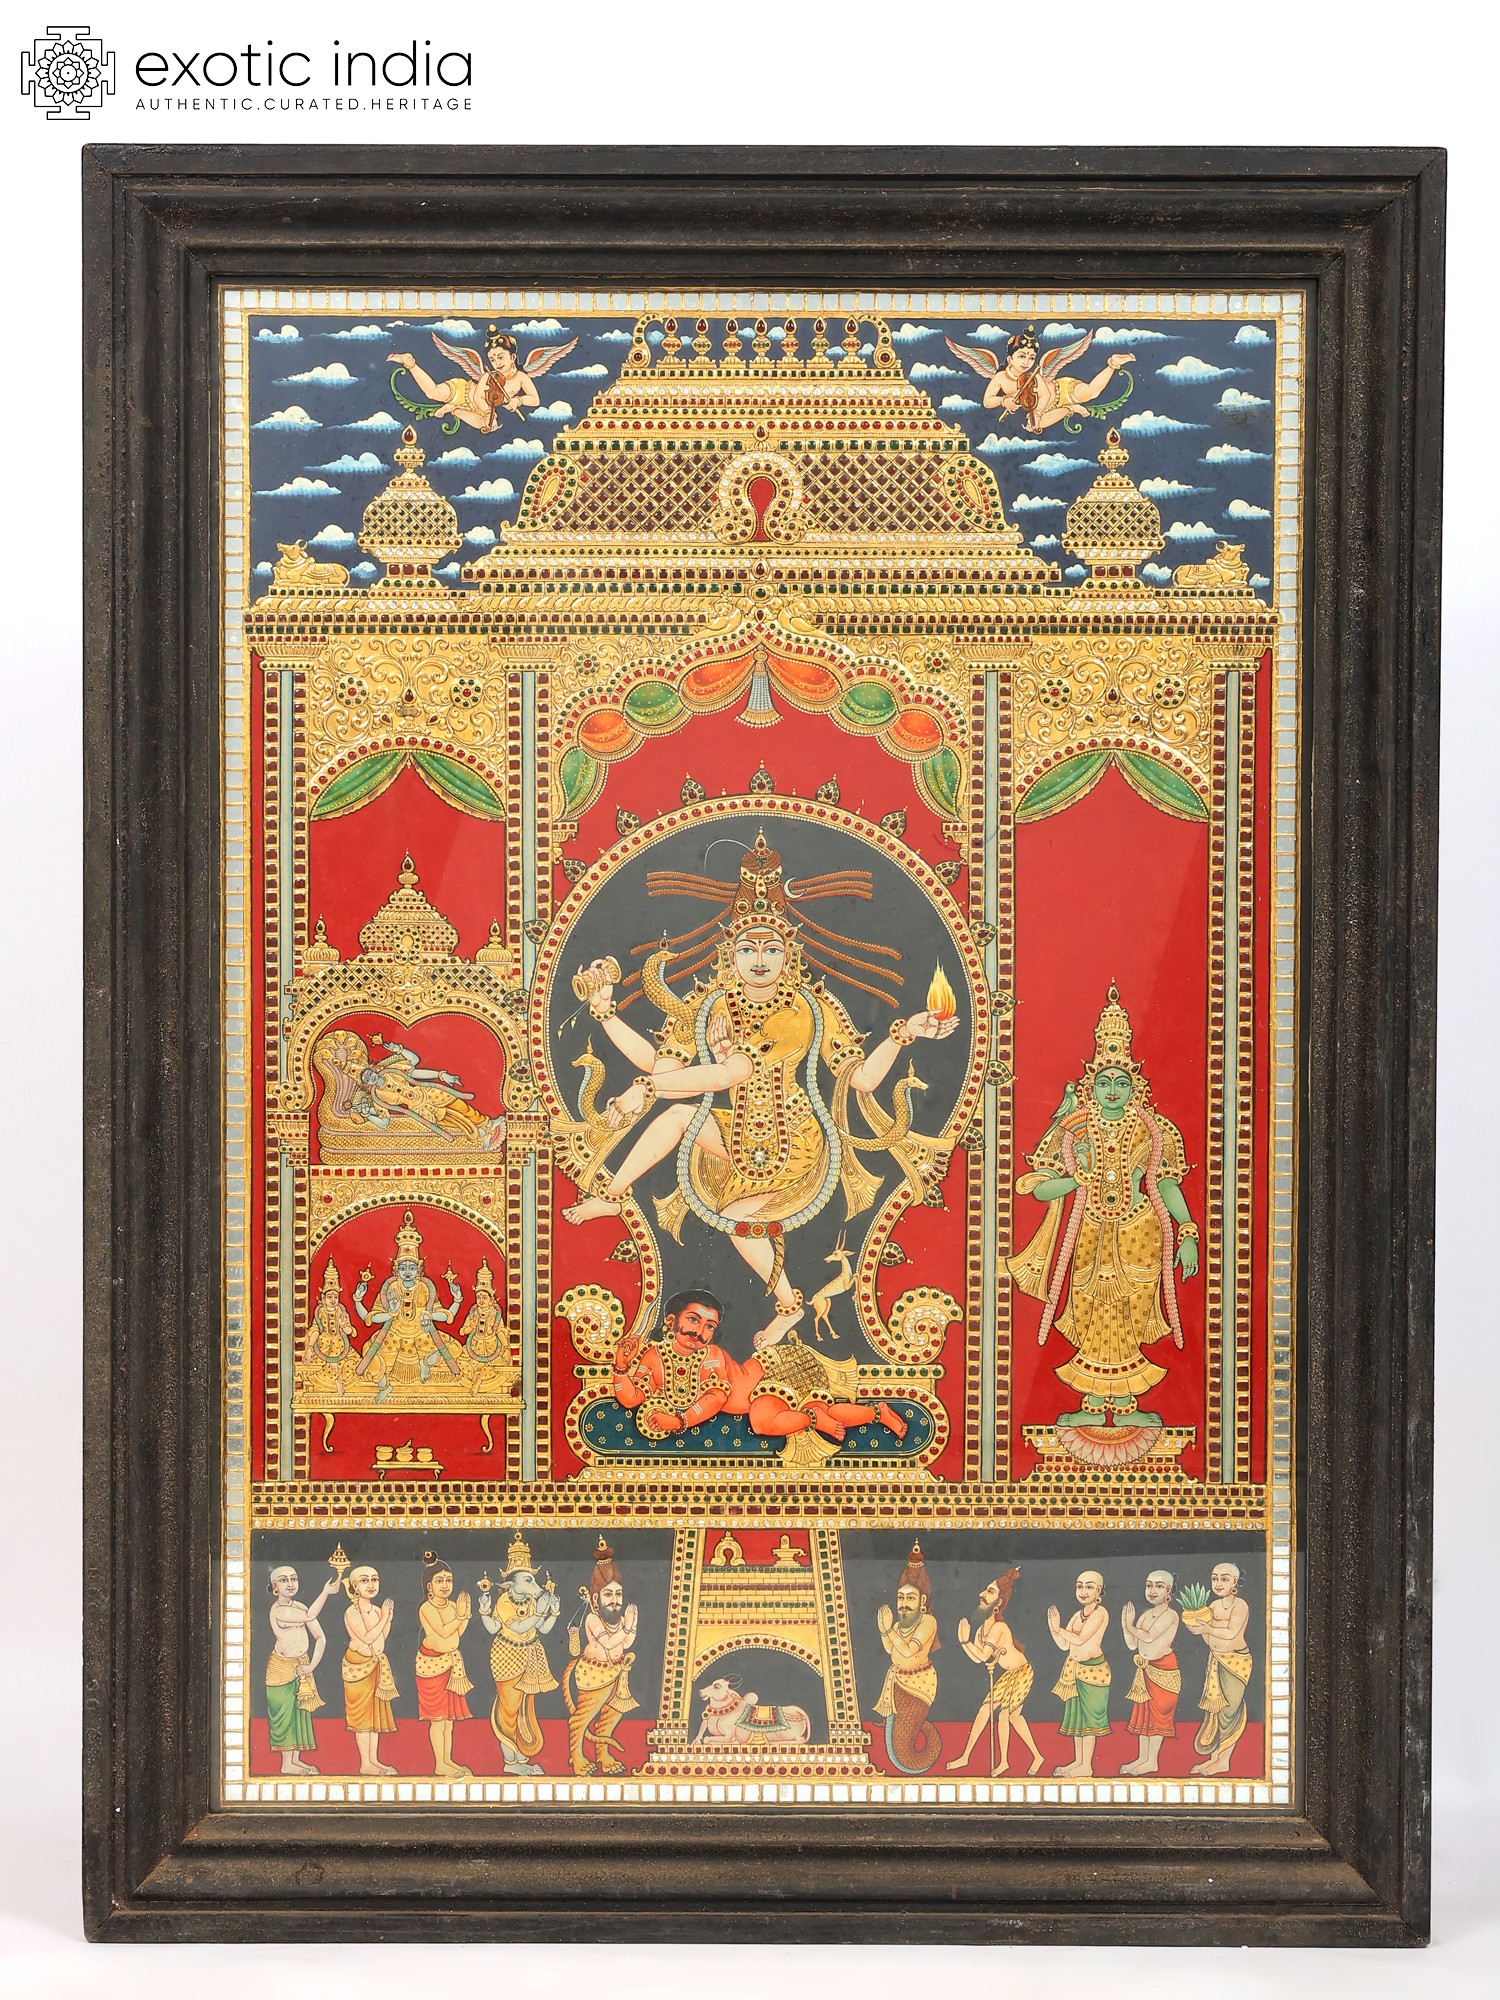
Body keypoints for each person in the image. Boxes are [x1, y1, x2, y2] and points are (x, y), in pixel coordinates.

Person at [564, 832, 956, 1347]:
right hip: (737, 1133)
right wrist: (606, 1013)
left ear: (788, 956)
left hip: (792, 1143)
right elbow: (662, 1065)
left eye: (771, 949)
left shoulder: (804, 1009)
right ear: (731, 955)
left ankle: (789, 1306)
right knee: (677, 1116)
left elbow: (850, 1078)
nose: (760, 959)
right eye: (748, 949)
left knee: (735, 1217)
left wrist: (903, 1034)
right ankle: (613, 1197)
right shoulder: (713, 1003)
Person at [1008, 985, 1198, 1448]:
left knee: (1133, 1310)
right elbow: (1040, 1188)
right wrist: (1078, 1176)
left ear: (1135, 1086)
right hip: (1090, 1231)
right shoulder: (1072, 1129)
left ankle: (1128, 1405)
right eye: (1104, 1083)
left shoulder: (1155, 1130)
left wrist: (1188, 1231)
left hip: (1140, 1232)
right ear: (1090, 1087)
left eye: (1121, 1083)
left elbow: (1166, 1183)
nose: (1113, 1092)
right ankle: (1093, 1402)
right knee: (1091, 1309)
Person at [612, 1289, 906, 1450]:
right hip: (773, 1385)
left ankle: (814, 1418)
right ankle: (878, 1412)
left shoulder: (710, 1355)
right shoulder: (653, 1357)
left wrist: (679, 1421)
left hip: (777, 1369)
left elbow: (716, 1398)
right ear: (671, 1321)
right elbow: (631, 1398)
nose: (699, 1332)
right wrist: (621, 1367)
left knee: (763, 1421)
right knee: (822, 1409)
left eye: (709, 1326)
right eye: (693, 1320)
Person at [352, 1211, 464, 1399]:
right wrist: (361, 1302)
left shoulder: (425, 1288)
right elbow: (370, 1318)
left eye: (412, 1268)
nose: (407, 1272)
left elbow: (444, 1316)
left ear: (419, 1269)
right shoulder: (390, 1288)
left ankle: (426, 1363)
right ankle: (384, 1386)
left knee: (455, 1350)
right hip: (393, 1336)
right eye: (403, 1268)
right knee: (368, 1356)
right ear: (396, 1268)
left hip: (422, 1335)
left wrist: (455, 1302)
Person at [945, 326, 1135, 435]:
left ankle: (1113, 364)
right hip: (1048, 409)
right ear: (1010, 359)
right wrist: (1004, 401)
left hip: (1060, 391)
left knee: (1092, 392)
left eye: (1031, 358)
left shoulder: (1034, 375)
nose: (1026, 362)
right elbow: (987, 401)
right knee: (1037, 425)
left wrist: (1036, 411)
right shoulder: (1001, 377)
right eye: (1021, 357)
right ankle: (1072, 409)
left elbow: (1044, 395)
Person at [387, 326, 576, 434]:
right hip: (464, 392)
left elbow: (535, 399)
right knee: (432, 393)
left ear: (512, 357)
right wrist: (487, 412)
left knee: (485, 427)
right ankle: (410, 363)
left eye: (500, 357)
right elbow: (478, 395)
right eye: (492, 359)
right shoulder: (489, 375)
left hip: (476, 410)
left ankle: (452, 409)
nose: (496, 363)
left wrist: (518, 400)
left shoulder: (521, 377)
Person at [947, 1567, 1044, 1776]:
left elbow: (983, 1656)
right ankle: (966, 1756)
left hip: (1022, 1672)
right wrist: (964, 1642)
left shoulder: (999, 1628)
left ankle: (1005, 1762)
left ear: (998, 1602)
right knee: (989, 1711)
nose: (982, 1594)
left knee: (1005, 1714)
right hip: (1009, 1675)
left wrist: (964, 1641)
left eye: (990, 1592)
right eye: (985, 1590)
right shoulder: (982, 1630)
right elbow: (977, 1658)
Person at [480, 1530, 562, 1776]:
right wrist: (540, 1611)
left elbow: (543, 1629)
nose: (534, 1586)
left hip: (529, 1656)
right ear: (510, 1584)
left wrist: (553, 1613)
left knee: (524, 1707)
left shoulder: (530, 1600)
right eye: (527, 1581)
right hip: (507, 1656)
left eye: (532, 1581)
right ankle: (510, 1761)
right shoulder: (504, 1601)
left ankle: (518, 1753)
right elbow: (517, 1627)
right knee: (509, 1709)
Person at [563, 1537, 638, 1776]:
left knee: (611, 1715)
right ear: (596, 1599)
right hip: (594, 1672)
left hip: (617, 1671)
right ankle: (576, 1756)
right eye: (609, 1594)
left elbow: (626, 1643)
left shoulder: (620, 1618)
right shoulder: (593, 1619)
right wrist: (628, 1627)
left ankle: (603, 1755)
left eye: (619, 1594)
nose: (615, 1601)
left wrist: (632, 1625)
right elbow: (608, 1643)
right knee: (583, 1717)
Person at [875, 1541, 942, 1774]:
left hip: (916, 1685)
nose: (903, 1604)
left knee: (903, 1749)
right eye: (900, 1598)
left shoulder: (928, 1622)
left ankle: (917, 1733)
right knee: (896, 1737)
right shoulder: (898, 1625)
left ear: (922, 1601)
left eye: (910, 1598)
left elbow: (908, 1650)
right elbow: (890, 1650)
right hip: (898, 1680)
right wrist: (884, 1630)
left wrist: (889, 1630)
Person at [264, 1563, 337, 1775]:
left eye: (293, 1578)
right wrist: (325, 1592)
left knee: (299, 1716)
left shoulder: (301, 1606)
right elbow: (308, 1616)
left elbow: (320, 1637)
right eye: (284, 1580)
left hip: (301, 1667)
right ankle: (286, 1764)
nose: (290, 1583)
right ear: (275, 1587)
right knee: (285, 1716)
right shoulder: (278, 1610)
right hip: (280, 1670)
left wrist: (312, 1665)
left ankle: (295, 1761)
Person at [415, 1551, 474, 1779]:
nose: (445, 1585)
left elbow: (457, 1634)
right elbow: (442, 1631)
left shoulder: (452, 1606)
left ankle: (447, 1760)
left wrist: (465, 1616)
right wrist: (460, 1617)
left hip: (450, 1664)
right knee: (438, 1720)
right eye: (439, 1581)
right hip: (432, 1667)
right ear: (429, 1586)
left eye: (449, 1580)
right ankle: (439, 1764)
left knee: (449, 1721)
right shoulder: (426, 1608)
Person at [1189, 1563, 1253, 1775]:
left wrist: (1207, 1628)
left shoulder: (1240, 1605)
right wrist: (1200, 1631)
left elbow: (1231, 1632)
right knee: (1215, 1710)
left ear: (1234, 1581)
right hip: (1216, 1659)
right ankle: (1214, 1759)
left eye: (1224, 1579)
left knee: (1229, 1712)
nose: (1218, 1583)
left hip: (1236, 1663)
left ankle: (1224, 1761)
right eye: (1215, 1578)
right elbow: (1210, 1639)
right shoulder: (1214, 1606)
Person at [1047, 1571, 1112, 1776]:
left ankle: (1087, 1766)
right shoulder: (1077, 1615)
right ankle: (1078, 1762)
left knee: (1089, 1721)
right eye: (1079, 1586)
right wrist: (1053, 1629)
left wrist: (1059, 1628)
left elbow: (1081, 1639)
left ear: (1098, 1590)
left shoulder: (1100, 1613)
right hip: (1075, 1671)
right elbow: (1064, 1644)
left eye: (1089, 1587)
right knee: (1077, 1720)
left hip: (1094, 1673)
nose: (1083, 1591)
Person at [1120, 1570, 1181, 1775]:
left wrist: (1129, 1625)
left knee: (1158, 1715)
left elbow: (1148, 1637)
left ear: (1168, 1591)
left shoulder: (1171, 1615)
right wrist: (1125, 1626)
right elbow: (1132, 1644)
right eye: (1149, 1585)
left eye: (1159, 1586)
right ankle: (1142, 1758)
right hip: (1145, 1669)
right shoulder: (1146, 1615)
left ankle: (1152, 1761)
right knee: (1144, 1715)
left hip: (1164, 1669)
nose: (1152, 1590)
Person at [341, 1563, 398, 1777]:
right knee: (363, 1718)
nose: (371, 1584)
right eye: (365, 1580)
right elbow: (366, 1638)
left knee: (374, 1717)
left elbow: (381, 1637)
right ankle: (365, 1763)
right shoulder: (352, 1612)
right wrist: (384, 1618)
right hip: (358, 1667)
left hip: (375, 1663)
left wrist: (387, 1619)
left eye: (374, 1579)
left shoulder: (375, 1610)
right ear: (355, 1586)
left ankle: (373, 1760)